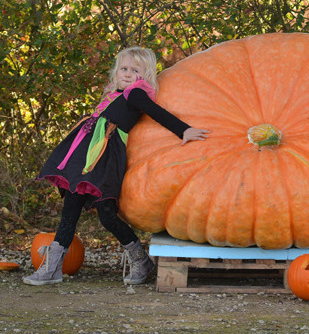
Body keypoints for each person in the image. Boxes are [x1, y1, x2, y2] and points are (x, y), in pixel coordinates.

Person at [23, 46, 210, 286]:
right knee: (70, 210)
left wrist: (183, 130)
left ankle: (141, 259)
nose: (128, 73)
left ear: (145, 76)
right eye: (124, 68)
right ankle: (53, 268)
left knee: (107, 215)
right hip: (84, 159)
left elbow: (157, 113)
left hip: (104, 160)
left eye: (135, 70)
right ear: (116, 71)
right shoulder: (113, 94)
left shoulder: (135, 94)